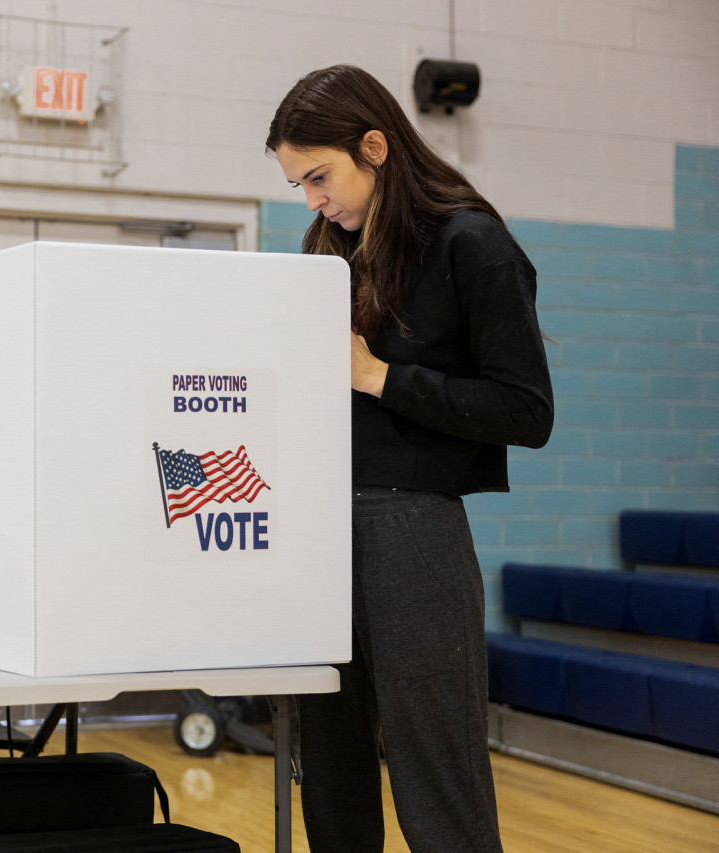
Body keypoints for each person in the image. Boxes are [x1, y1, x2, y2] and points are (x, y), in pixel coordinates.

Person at [265, 65, 553, 852]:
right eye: (300, 184)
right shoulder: (328, 247)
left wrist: (378, 376)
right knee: (330, 774)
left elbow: (527, 411)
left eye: (320, 176)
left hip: (415, 530)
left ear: (376, 145)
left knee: (437, 777)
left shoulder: (474, 244)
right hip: (324, 531)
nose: (314, 199)